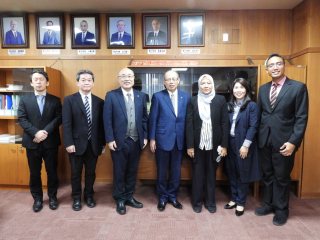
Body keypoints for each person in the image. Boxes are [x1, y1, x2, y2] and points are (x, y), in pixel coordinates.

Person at [255, 53, 308, 226]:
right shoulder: (263, 89)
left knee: (282, 177)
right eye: (271, 65)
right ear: (267, 69)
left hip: (285, 142)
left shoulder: (298, 88)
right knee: (268, 175)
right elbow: (261, 115)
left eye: (278, 64)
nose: (275, 67)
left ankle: (281, 210)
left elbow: (301, 118)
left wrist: (293, 142)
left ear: (284, 66)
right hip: (264, 140)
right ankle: (269, 204)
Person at [104, 68, 148, 215]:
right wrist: (109, 139)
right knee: (119, 171)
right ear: (119, 79)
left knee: (132, 171)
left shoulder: (141, 96)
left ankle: (129, 196)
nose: (127, 78)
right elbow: (107, 119)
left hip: (136, 141)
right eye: (123, 76)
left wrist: (145, 136)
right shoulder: (111, 95)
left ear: (134, 78)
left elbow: (144, 119)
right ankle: (120, 199)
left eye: (129, 76)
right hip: (118, 141)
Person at [18, 70, 61, 212]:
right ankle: (37, 199)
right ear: (31, 83)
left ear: (47, 82)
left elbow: (58, 118)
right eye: (35, 79)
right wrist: (36, 132)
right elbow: (22, 119)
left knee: (52, 171)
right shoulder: (24, 99)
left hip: (50, 142)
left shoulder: (55, 100)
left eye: (41, 79)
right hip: (32, 141)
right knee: (34, 173)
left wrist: (45, 132)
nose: (38, 82)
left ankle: (53, 197)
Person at [62, 69, 105, 211]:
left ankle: (89, 196)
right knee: (75, 174)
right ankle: (76, 198)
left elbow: (101, 125)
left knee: (91, 173)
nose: (86, 82)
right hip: (75, 145)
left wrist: (102, 143)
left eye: (89, 80)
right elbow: (66, 123)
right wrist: (68, 143)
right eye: (83, 80)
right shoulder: (69, 100)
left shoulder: (99, 101)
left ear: (93, 83)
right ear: (77, 82)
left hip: (93, 145)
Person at [186, 74, 228, 213]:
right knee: (197, 175)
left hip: (214, 144)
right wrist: (190, 145)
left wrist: (224, 145)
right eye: (203, 83)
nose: (205, 86)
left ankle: (210, 202)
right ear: (199, 86)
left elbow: (224, 123)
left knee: (211, 174)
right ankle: (197, 202)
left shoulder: (220, 100)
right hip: (198, 145)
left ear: (212, 85)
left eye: (208, 83)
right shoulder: (193, 100)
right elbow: (189, 124)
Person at [149, 70, 190, 211]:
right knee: (161, 171)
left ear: (179, 81)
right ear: (164, 82)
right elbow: (153, 119)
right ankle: (162, 197)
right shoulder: (158, 97)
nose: (171, 82)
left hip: (179, 140)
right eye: (168, 79)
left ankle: (172, 196)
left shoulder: (186, 97)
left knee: (176, 171)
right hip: (162, 139)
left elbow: (188, 120)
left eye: (174, 79)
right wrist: (152, 138)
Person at [224, 78, 260, 216]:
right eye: (236, 88)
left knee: (242, 173)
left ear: (246, 89)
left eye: (241, 87)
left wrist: (246, 145)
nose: (238, 90)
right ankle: (234, 198)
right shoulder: (229, 105)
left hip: (243, 144)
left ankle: (241, 202)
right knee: (231, 172)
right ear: (232, 90)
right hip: (230, 143)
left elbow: (253, 126)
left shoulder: (252, 106)